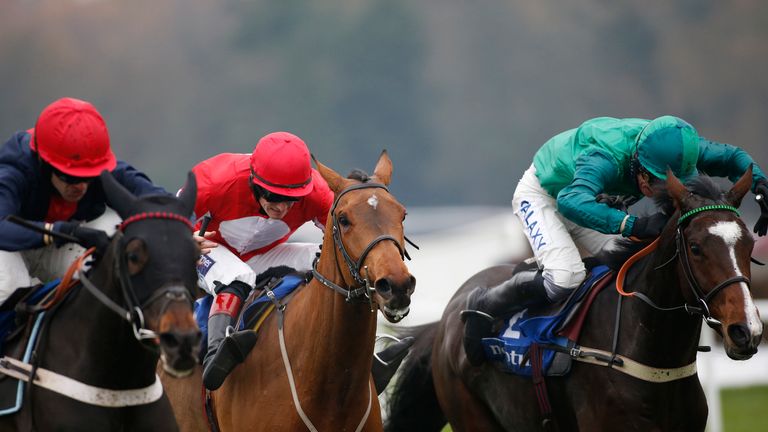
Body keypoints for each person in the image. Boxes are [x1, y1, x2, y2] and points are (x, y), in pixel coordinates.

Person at [462, 115, 768, 366]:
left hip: (590, 199)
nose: (662, 192)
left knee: (631, 268)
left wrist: (761, 184)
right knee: (565, 277)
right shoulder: (605, 157)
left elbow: (733, 158)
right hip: (548, 196)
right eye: (656, 185)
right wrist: (632, 222)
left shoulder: (678, 149)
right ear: (640, 169)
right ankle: (486, 302)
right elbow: (570, 202)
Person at [192, 131, 412, 391]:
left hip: (263, 256)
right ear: (253, 180)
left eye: (292, 199)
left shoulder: (317, 192)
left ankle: (365, 357)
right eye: (273, 196)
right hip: (204, 250)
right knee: (238, 276)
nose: (282, 207)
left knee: (335, 263)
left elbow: (347, 235)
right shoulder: (216, 178)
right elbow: (166, 214)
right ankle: (216, 353)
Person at [0, 97, 168, 305]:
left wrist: (180, 229)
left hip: (53, 244)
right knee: (11, 287)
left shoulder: (98, 164)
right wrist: (67, 231)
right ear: (44, 161)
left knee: (108, 275)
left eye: (87, 176)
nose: (80, 186)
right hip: (8, 245)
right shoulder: (14, 169)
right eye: (69, 176)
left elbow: (155, 198)